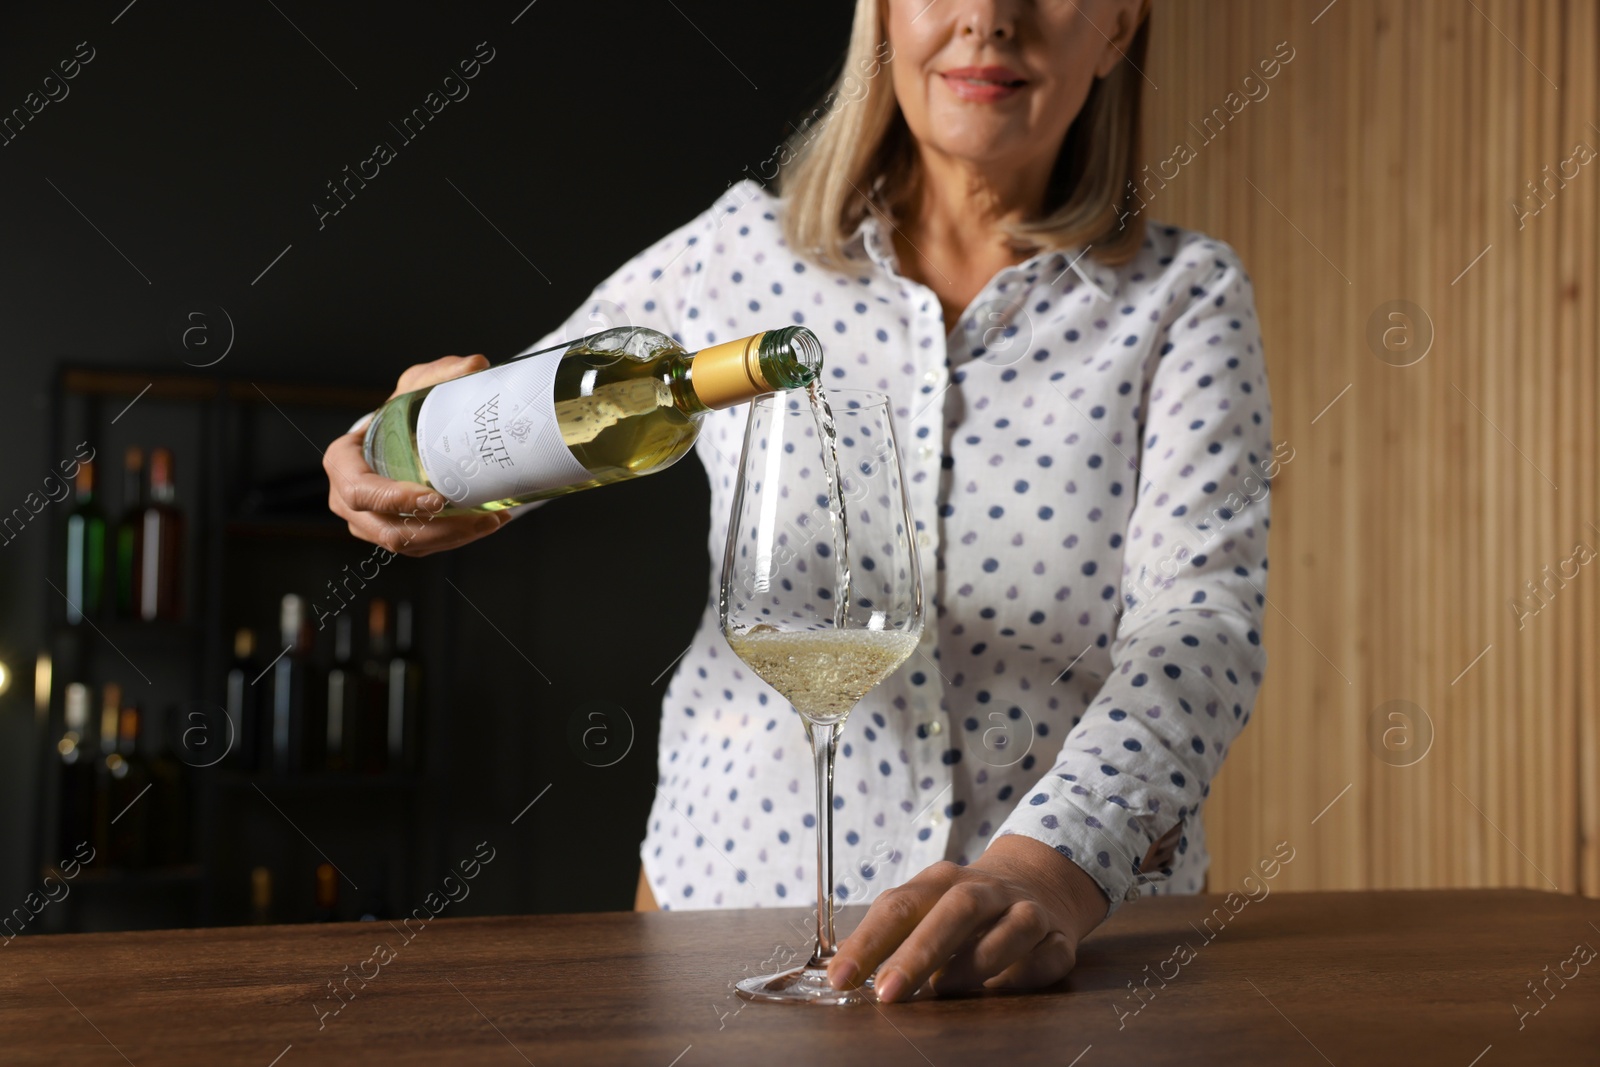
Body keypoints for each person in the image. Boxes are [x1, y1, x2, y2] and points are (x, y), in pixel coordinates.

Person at [324, 0, 1274, 1003]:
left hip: (1058, 953)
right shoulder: (728, 255)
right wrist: (398, 466)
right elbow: (513, 428)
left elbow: (1199, 621)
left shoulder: (1184, 297)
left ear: (1119, 24)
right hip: (728, 920)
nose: (988, 18)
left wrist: (1045, 868)